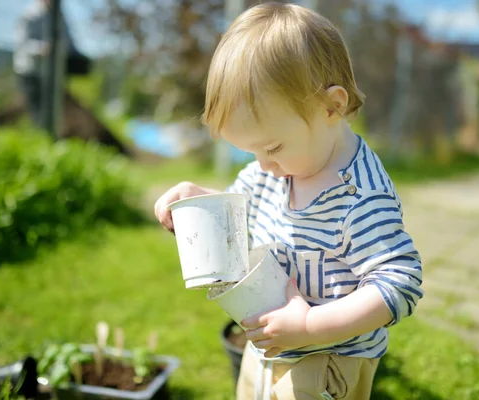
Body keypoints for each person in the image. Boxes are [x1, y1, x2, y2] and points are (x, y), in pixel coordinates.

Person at [154, 3, 423, 399]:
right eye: (251, 153)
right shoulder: (278, 167)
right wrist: (200, 199)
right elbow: (243, 208)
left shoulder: (359, 198)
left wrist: (311, 325)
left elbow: (399, 282)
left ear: (331, 107)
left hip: (324, 361)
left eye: (273, 147)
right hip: (269, 342)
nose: (262, 165)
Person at [13, 0, 83, 128]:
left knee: (53, 107)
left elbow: (68, 41)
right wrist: (42, 48)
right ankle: (40, 136)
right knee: (37, 109)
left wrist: (78, 56)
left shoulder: (59, 16)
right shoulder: (30, 15)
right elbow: (23, 44)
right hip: (31, 70)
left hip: (52, 72)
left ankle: (50, 133)